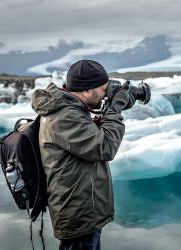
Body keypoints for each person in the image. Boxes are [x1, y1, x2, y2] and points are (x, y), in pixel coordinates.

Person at [31, 59, 135, 250]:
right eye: (104, 89)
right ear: (86, 90)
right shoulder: (64, 115)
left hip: (83, 208)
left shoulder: (71, 109)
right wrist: (114, 108)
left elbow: (87, 139)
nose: (106, 94)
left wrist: (109, 111)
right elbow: (104, 147)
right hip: (77, 213)